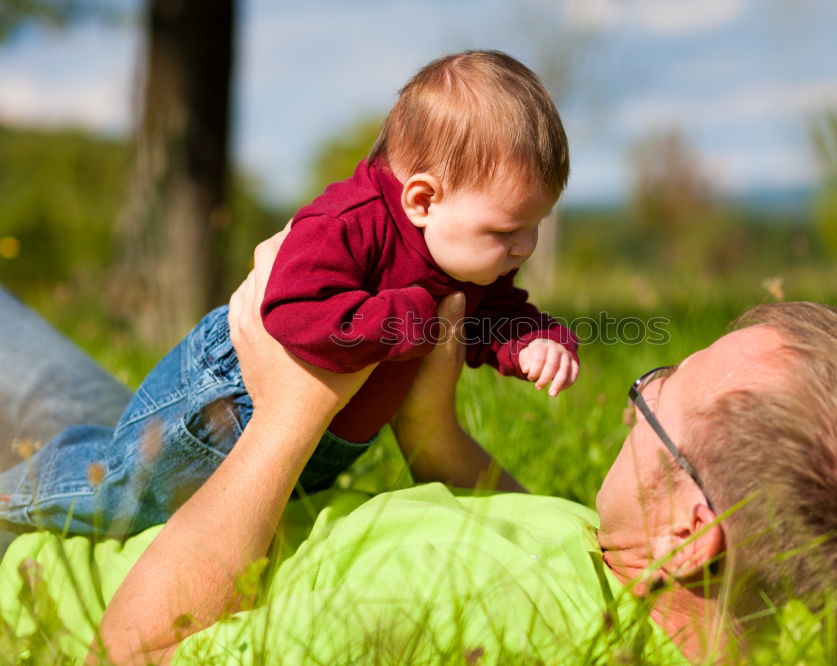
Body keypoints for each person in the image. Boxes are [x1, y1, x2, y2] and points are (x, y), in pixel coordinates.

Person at [0, 229, 837, 664]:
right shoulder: (699, 618)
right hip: (185, 489)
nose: (631, 407)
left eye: (655, 395)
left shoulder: (441, 608)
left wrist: (294, 407)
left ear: (693, 531)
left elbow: (132, 650)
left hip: (58, 555)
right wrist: (436, 436)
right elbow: (540, 539)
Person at [0, 50, 580, 538]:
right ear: (423, 201)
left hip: (322, 441)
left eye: (535, 227)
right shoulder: (347, 224)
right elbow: (293, 311)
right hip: (225, 407)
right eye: (507, 231)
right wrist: (408, 320)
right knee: (118, 495)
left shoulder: (468, 258)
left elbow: (496, 317)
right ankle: (15, 491)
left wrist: (534, 341)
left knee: (216, 522)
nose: (524, 247)